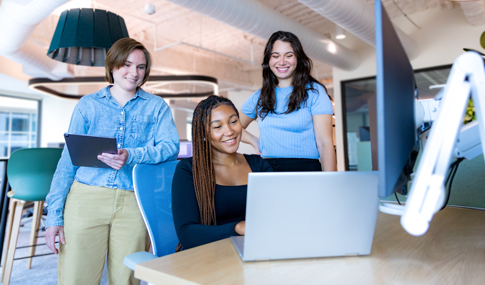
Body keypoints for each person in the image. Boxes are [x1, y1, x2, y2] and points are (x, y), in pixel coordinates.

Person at [44, 38, 179, 285]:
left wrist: (132, 154)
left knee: (126, 279)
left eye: (140, 67)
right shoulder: (88, 105)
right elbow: (67, 163)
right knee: (77, 278)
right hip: (85, 199)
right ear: (113, 65)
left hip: (133, 202)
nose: (134, 73)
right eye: (127, 65)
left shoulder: (157, 107)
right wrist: (53, 217)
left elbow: (170, 148)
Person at [172, 95, 273, 250]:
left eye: (233, 121)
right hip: (207, 255)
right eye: (218, 127)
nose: (230, 131)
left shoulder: (259, 165)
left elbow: (276, 213)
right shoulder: (188, 169)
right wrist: (237, 228)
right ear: (205, 133)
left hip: (254, 248)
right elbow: (187, 233)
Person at [240, 31, 336, 172]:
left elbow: (325, 143)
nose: (282, 61)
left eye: (289, 55)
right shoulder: (259, 96)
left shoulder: (315, 92)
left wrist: (330, 183)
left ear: (298, 59)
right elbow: (232, 128)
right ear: (269, 60)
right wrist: (254, 141)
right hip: (267, 169)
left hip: (305, 169)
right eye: (275, 56)